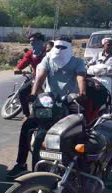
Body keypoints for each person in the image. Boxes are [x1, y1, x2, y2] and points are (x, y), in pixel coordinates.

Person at [7, 38, 86, 177]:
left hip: (69, 101)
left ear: (69, 48)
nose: (60, 50)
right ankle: (21, 164)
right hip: (49, 102)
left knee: (81, 129)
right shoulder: (48, 59)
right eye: (58, 47)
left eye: (63, 47)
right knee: (27, 126)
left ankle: (80, 166)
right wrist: (33, 93)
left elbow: (81, 77)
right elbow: (40, 76)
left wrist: (82, 92)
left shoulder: (77, 62)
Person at [13, 32, 47, 116]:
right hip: (36, 78)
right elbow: (21, 65)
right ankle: (26, 115)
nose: (31, 43)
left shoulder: (49, 52)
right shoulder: (30, 54)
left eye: (34, 41)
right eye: (30, 41)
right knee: (22, 92)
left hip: (49, 79)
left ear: (41, 41)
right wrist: (17, 69)